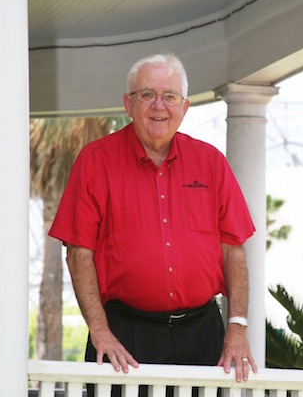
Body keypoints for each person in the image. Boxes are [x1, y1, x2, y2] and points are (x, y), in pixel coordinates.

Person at [49, 53, 257, 396]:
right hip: (124, 337)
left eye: (170, 96)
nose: (159, 105)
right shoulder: (95, 161)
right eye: (147, 94)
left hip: (202, 336)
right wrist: (99, 330)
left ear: (185, 106)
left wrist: (237, 328)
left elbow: (234, 250)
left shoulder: (212, 164)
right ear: (128, 104)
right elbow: (78, 252)